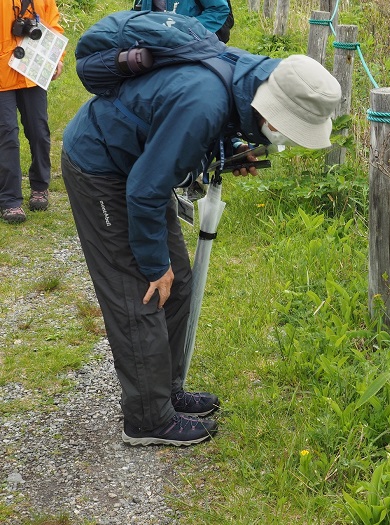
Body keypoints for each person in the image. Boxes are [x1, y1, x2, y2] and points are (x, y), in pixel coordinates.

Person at [61, 31, 342, 446]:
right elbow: (144, 189)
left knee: (179, 283)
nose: (287, 136)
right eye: (291, 127)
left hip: (140, 167)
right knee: (140, 289)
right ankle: (146, 420)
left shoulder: (246, 78)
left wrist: (228, 150)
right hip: (102, 167)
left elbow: (191, 130)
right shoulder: (203, 102)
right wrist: (155, 267)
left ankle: (165, 392)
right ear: (277, 109)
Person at [0, 0, 64, 224]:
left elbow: (53, 25)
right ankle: (10, 201)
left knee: (39, 131)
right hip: (1, 75)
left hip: (32, 70)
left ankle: (40, 187)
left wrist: (57, 58)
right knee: (6, 135)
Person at [132, 0, 231, 40]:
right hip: (156, 40)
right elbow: (138, 11)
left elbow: (218, 9)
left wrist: (186, 30)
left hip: (192, 40)